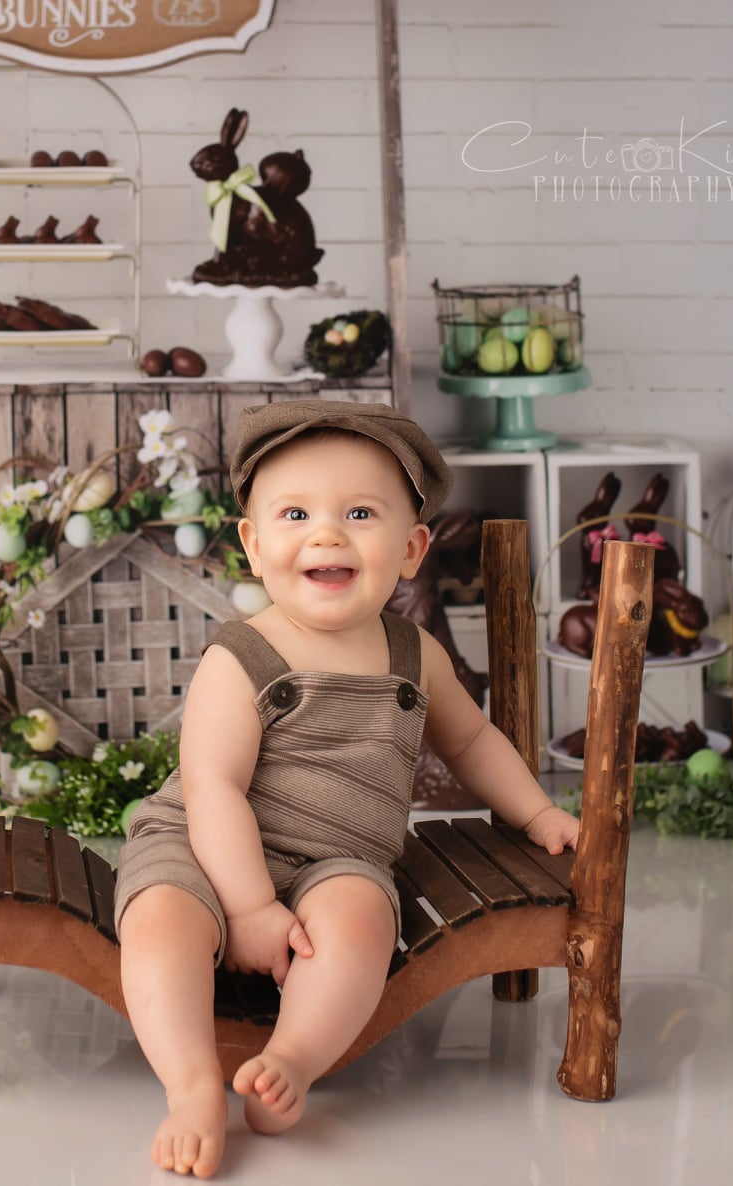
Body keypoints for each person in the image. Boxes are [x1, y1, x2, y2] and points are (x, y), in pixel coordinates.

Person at [114, 399, 580, 1178]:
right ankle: (190, 1086)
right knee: (159, 921)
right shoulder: (242, 657)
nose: (327, 535)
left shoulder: (414, 654)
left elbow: (471, 741)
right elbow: (213, 786)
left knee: (362, 921)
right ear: (254, 546)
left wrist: (535, 812)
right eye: (296, 514)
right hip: (204, 846)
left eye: (359, 513)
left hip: (337, 860)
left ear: (412, 548)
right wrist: (248, 908)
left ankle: (292, 1061)